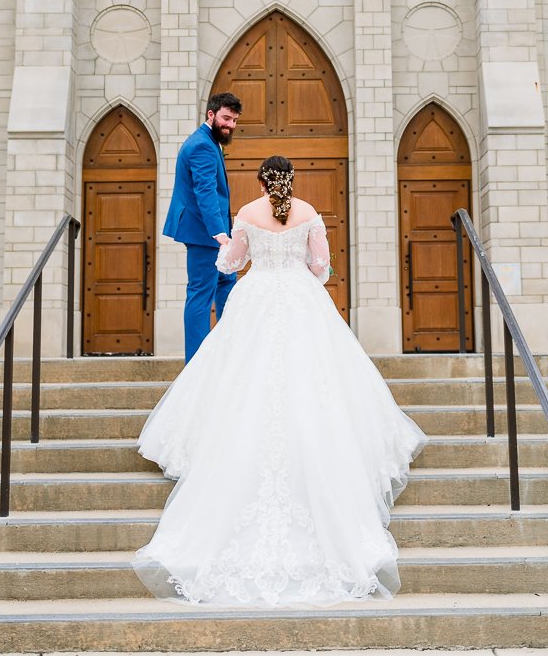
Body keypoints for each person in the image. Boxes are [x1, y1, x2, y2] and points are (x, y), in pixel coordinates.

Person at [134, 155, 426, 606]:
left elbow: (229, 267)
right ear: (292, 180)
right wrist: (301, 267)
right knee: (315, 379)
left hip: (257, 298)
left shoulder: (247, 213)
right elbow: (321, 269)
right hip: (300, 299)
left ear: (261, 180)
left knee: (242, 379)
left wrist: (233, 245)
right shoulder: (309, 213)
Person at [163, 91, 242, 361]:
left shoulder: (210, 142)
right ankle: (196, 364)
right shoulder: (202, 146)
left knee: (227, 284)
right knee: (200, 294)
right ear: (211, 114)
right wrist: (220, 234)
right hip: (205, 234)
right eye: (226, 118)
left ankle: (228, 351)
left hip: (213, 234)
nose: (230, 125)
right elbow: (205, 191)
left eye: (234, 120)